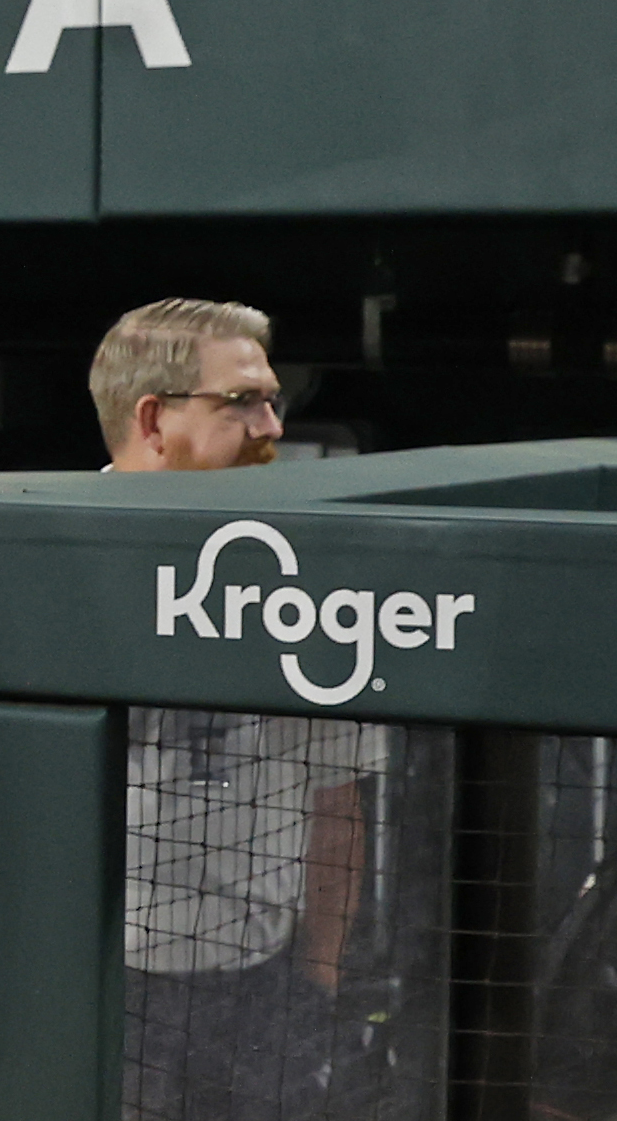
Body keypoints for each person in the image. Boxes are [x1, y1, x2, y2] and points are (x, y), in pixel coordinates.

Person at [95, 298, 374, 1121]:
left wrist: (317, 984)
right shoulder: (49, 564)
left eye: (271, 399)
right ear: (153, 418)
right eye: (240, 402)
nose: (270, 425)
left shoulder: (298, 569)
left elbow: (338, 800)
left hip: (260, 993)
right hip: (100, 984)